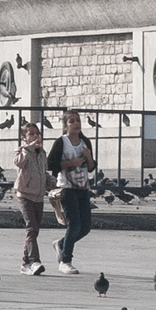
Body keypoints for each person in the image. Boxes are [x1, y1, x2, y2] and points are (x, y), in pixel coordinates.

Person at [47, 110, 96, 274]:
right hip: (66, 188)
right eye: (72, 121)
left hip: (82, 188)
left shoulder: (85, 142)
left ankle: (61, 244)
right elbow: (51, 164)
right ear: (65, 125)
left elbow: (91, 168)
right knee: (74, 224)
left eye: (78, 121)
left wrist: (89, 158)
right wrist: (70, 163)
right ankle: (65, 261)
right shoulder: (62, 142)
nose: (76, 124)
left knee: (85, 227)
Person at [12, 121, 48, 275]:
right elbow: (19, 163)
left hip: (38, 197)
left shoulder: (42, 153)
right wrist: (28, 148)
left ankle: (25, 264)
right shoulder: (21, 151)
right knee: (31, 228)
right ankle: (34, 261)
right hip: (25, 195)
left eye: (37, 133)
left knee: (34, 230)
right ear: (24, 138)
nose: (35, 137)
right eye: (31, 134)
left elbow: (43, 172)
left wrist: (51, 181)